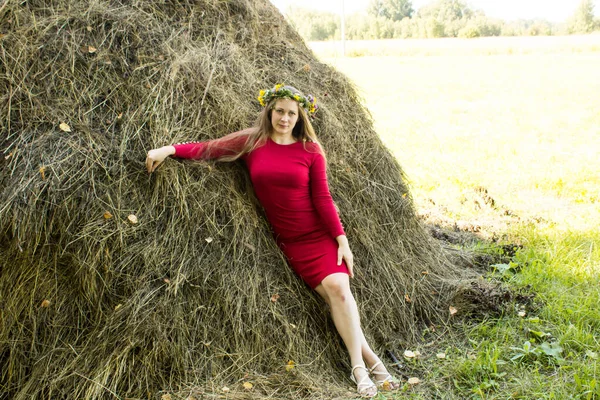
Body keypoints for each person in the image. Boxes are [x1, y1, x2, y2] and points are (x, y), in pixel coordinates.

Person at [145, 84, 400, 398]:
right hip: (291, 242)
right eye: (279, 111)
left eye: (291, 113)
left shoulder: (310, 150)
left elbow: (322, 198)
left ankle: (360, 368)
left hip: (318, 236)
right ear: (269, 111)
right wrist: (169, 149)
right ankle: (373, 364)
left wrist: (341, 240)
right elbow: (209, 148)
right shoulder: (252, 141)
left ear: (299, 117)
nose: (284, 118)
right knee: (335, 298)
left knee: (338, 290)